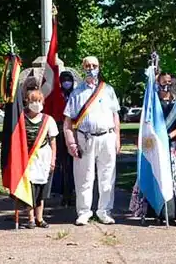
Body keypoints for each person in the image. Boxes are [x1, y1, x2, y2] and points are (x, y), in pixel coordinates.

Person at [63, 56, 121, 226]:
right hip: (84, 138)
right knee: (84, 177)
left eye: (94, 65)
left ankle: (104, 211)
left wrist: (117, 138)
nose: (91, 68)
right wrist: (71, 143)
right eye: (87, 65)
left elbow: (115, 116)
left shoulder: (108, 90)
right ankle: (83, 212)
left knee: (107, 176)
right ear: (83, 68)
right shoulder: (76, 93)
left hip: (107, 137)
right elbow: (68, 122)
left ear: (99, 67)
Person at [129, 73, 176, 224]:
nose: (166, 85)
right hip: (153, 148)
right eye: (163, 82)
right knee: (153, 177)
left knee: (170, 180)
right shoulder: (151, 103)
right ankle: (153, 212)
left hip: (169, 147)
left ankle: (170, 214)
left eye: (169, 82)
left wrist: (168, 137)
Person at [21, 89, 58, 228]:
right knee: (30, 189)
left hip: (43, 157)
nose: (36, 104)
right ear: (27, 102)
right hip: (27, 158)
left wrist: (53, 160)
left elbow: (53, 142)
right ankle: (30, 219)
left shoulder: (48, 120)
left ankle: (40, 218)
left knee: (41, 190)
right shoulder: (21, 118)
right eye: (33, 101)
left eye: (38, 101)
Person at [53, 70, 76, 207]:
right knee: (62, 165)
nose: (67, 82)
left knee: (73, 165)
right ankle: (62, 192)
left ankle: (71, 192)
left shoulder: (76, 94)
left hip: (74, 132)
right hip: (60, 132)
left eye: (69, 79)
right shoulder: (56, 94)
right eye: (64, 80)